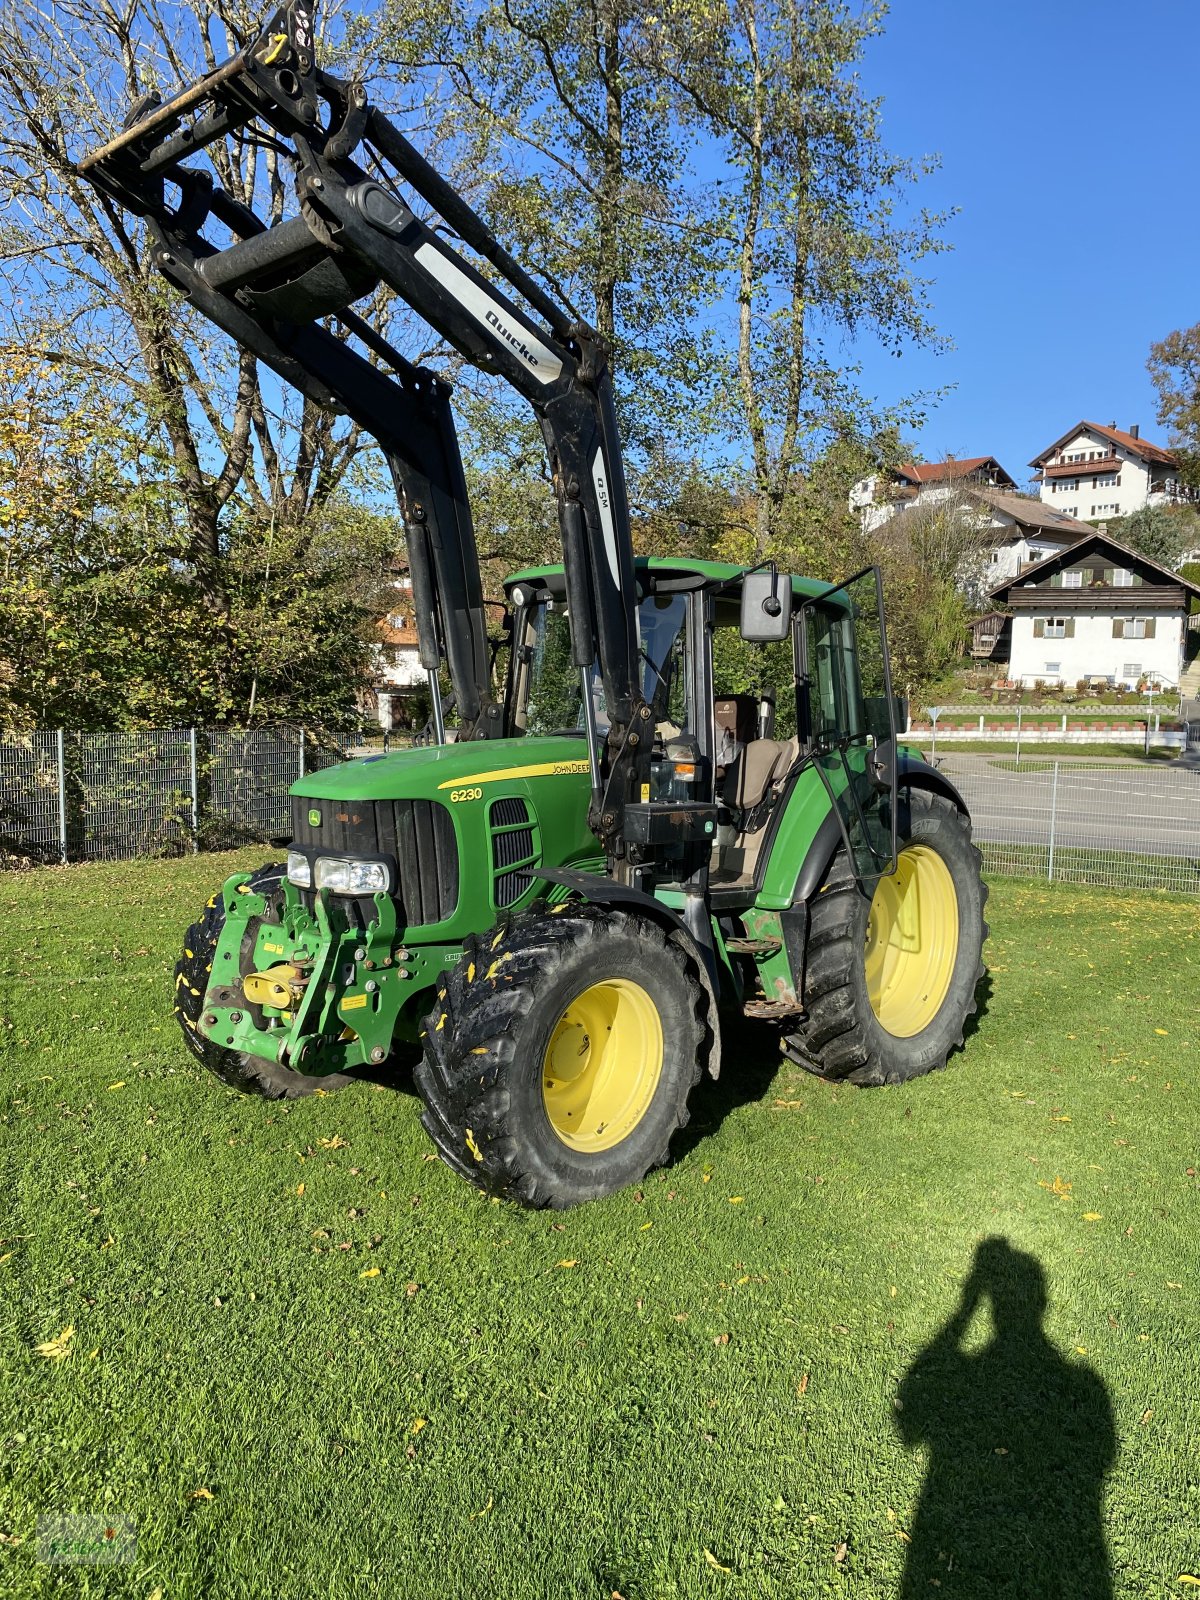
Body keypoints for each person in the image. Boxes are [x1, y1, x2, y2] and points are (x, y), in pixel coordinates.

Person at [896, 1238, 1115, 1598]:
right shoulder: (1083, 1385)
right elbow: (1101, 1456)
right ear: (1042, 1302)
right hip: (1069, 1552)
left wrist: (965, 1308)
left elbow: (909, 1420)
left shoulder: (974, 1375)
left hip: (949, 1530)